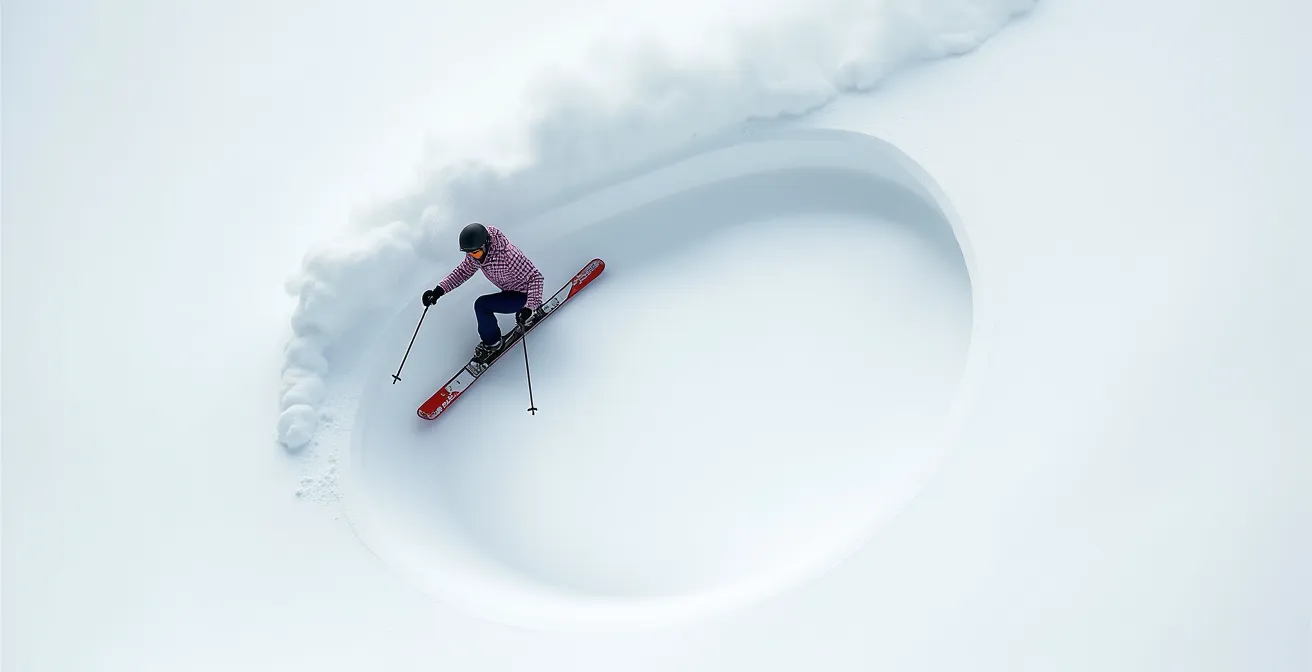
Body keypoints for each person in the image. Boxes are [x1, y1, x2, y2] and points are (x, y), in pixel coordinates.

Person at [422, 222, 545, 362]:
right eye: (469, 253)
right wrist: (439, 290)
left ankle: (493, 344)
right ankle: (494, 339)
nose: (473, 256)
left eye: (475, 252)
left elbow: (536, 277)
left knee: (482, 305)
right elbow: (463, 272)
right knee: (482, 305)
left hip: (525, 295)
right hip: (510, 291)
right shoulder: (477, 254)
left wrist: (529, 307)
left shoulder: (508, 256)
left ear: (485, 244)